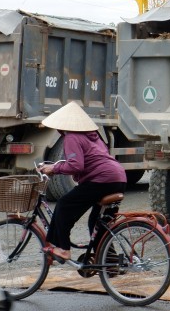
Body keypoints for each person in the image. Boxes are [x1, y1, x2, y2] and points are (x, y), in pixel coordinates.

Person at [39, 101, 126, 263]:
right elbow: (89, 161)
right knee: (98, 223)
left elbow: (76, 165)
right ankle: (110, 263)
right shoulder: (93, 136)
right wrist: (60, 167)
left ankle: (64, 249)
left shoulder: (71, 137)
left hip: (102, 179)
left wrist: (53, 169)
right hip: (118, 177)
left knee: (64, 205)